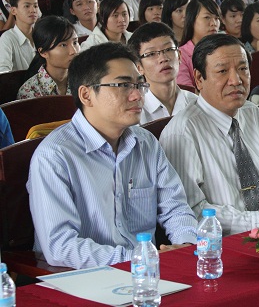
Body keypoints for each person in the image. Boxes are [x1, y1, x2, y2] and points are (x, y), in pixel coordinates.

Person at [27, 42, 197, 269]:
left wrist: (185, 245)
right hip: (86, 278)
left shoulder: (145, 143)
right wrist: (138, 257)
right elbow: (61, 246)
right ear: (86, 95)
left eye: (139, 84)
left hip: (149, 271)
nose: (137, 95)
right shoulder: (54, 157)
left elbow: (175, 207)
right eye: (123, 85)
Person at [160, 34, 259, 235]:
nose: (236, 80)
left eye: (243, 69)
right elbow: (193, 211)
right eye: (222, 71)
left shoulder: (253, 113)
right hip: (223, 243)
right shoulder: (182, 133)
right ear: (199, 79)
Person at [128, 22, 197, 124]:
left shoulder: (196, 104)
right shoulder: (134, 111)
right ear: (139, 68)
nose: (163, 58)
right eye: (151, 54)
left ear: (179, 56)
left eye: (169, 49)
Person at [18, 16, 79, 99]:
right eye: (63, 45)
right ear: (43, 52)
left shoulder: (84, 79)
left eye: (75, 42)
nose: (74, 51)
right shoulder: (30, 91)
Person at [177, 0, 221, 87]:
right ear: (192, 20)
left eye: (216, 18)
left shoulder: (223, 49)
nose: (214, 23)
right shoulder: (181, 55)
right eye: (207, 17)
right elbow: (187, 90)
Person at [0, 0, 39, 73]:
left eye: (35, 6)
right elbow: (3, 73)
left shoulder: (43, 34)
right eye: (27, 6)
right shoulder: (7, 39)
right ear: (13, 10)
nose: (33, 10)